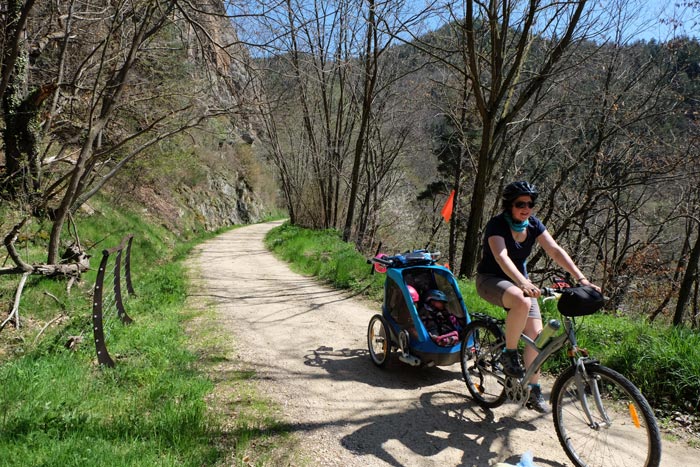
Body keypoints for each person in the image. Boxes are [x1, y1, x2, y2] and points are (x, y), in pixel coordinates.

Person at [475, 181, 601, 412]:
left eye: (530, 204)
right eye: (520, 203)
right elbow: (502, 257)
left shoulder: (533, 225)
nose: (526, 208)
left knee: (537, 339)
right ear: (509, 205)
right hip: (490, 280)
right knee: (521, 300)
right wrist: (523, 282)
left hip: (520, 284)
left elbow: (554, 250)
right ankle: (508, 354)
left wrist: (582, 279)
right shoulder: (497, 225)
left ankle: (533, 389)